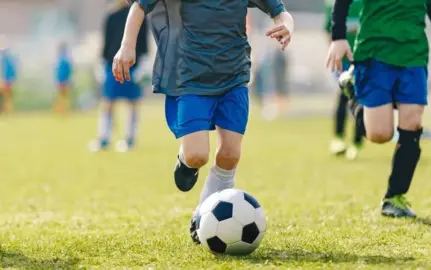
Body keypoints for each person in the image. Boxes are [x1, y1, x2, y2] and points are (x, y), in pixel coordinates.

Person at [114, 0, 293, 242]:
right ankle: (185, 160)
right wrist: (127, 46)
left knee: (230, 155)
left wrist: (286, 27)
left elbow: (280, 13)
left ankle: (203, 216)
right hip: (192, 79)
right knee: (197, 156)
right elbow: (139, 6)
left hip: (235, 78)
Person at [326, 0, 431, 217]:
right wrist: (339, 37)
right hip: (375, 53)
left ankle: (394, 198)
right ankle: (352, 92)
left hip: (413, 55)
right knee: (380, 134)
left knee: (414, 121)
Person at [89, 0, 148, 153]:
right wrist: (101, 65)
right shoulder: (111, 16)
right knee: (108, 103)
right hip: (111, 65)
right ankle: (104, 138)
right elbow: (105, 44)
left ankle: (130, 138)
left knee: (133, 103)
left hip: (132, 65)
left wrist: (142, 66)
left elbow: (144, 44)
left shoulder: (140, 13)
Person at [324, 0, 363, 160]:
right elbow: (329, 30)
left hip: (364, 58)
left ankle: (356, 142)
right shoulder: (336, 5)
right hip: (345, 61)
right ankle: (338, 138)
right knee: (344, 95)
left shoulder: (366, 4)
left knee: (362, 99)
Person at [54, 43, 73, 114]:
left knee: (63, 96)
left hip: (64, 80)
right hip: (62, 80)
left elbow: (68, 70)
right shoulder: (63, 59)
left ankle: (63, 111)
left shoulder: (63, 59)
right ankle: (61, 111)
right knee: (62, 96)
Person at [0, 38, 17, 114]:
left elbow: (12, 71)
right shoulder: (4, 58)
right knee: (5, 97)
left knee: (7, 97)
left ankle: (7, 111)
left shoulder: (8, 59)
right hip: (3, 80)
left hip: (7, 80)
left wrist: (11, 79)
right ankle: (5, 111)